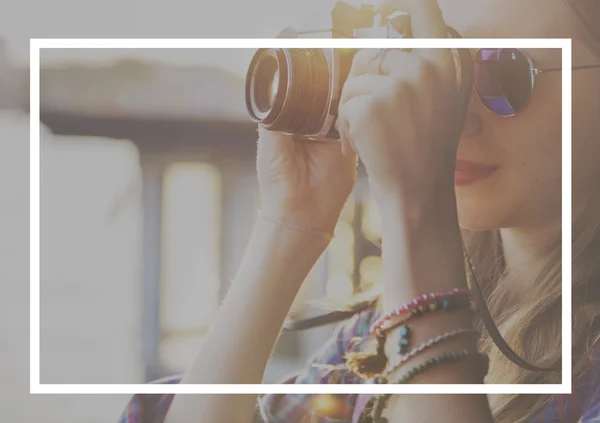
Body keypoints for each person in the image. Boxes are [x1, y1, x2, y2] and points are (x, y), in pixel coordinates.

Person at [119, 0, 600, 421]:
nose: (454, 117)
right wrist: (290, 223)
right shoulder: (378, 332)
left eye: (503, 72)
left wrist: (419, 209)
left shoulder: (414, 311)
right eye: (438, 66)